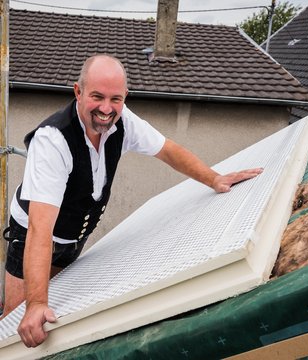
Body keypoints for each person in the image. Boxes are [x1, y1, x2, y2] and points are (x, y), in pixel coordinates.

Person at [1, 54, 262, 347]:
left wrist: (213, 179)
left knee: (54, 319)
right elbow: (40, 230)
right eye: (97, 96)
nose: (106, 108)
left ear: (125, 97)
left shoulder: (124, 122)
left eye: (115, 99)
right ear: (77, 91)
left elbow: (168, 150)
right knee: (16, 327)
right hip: (32, 236)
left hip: (73, 238)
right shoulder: (53, 141)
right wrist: (35, 304)